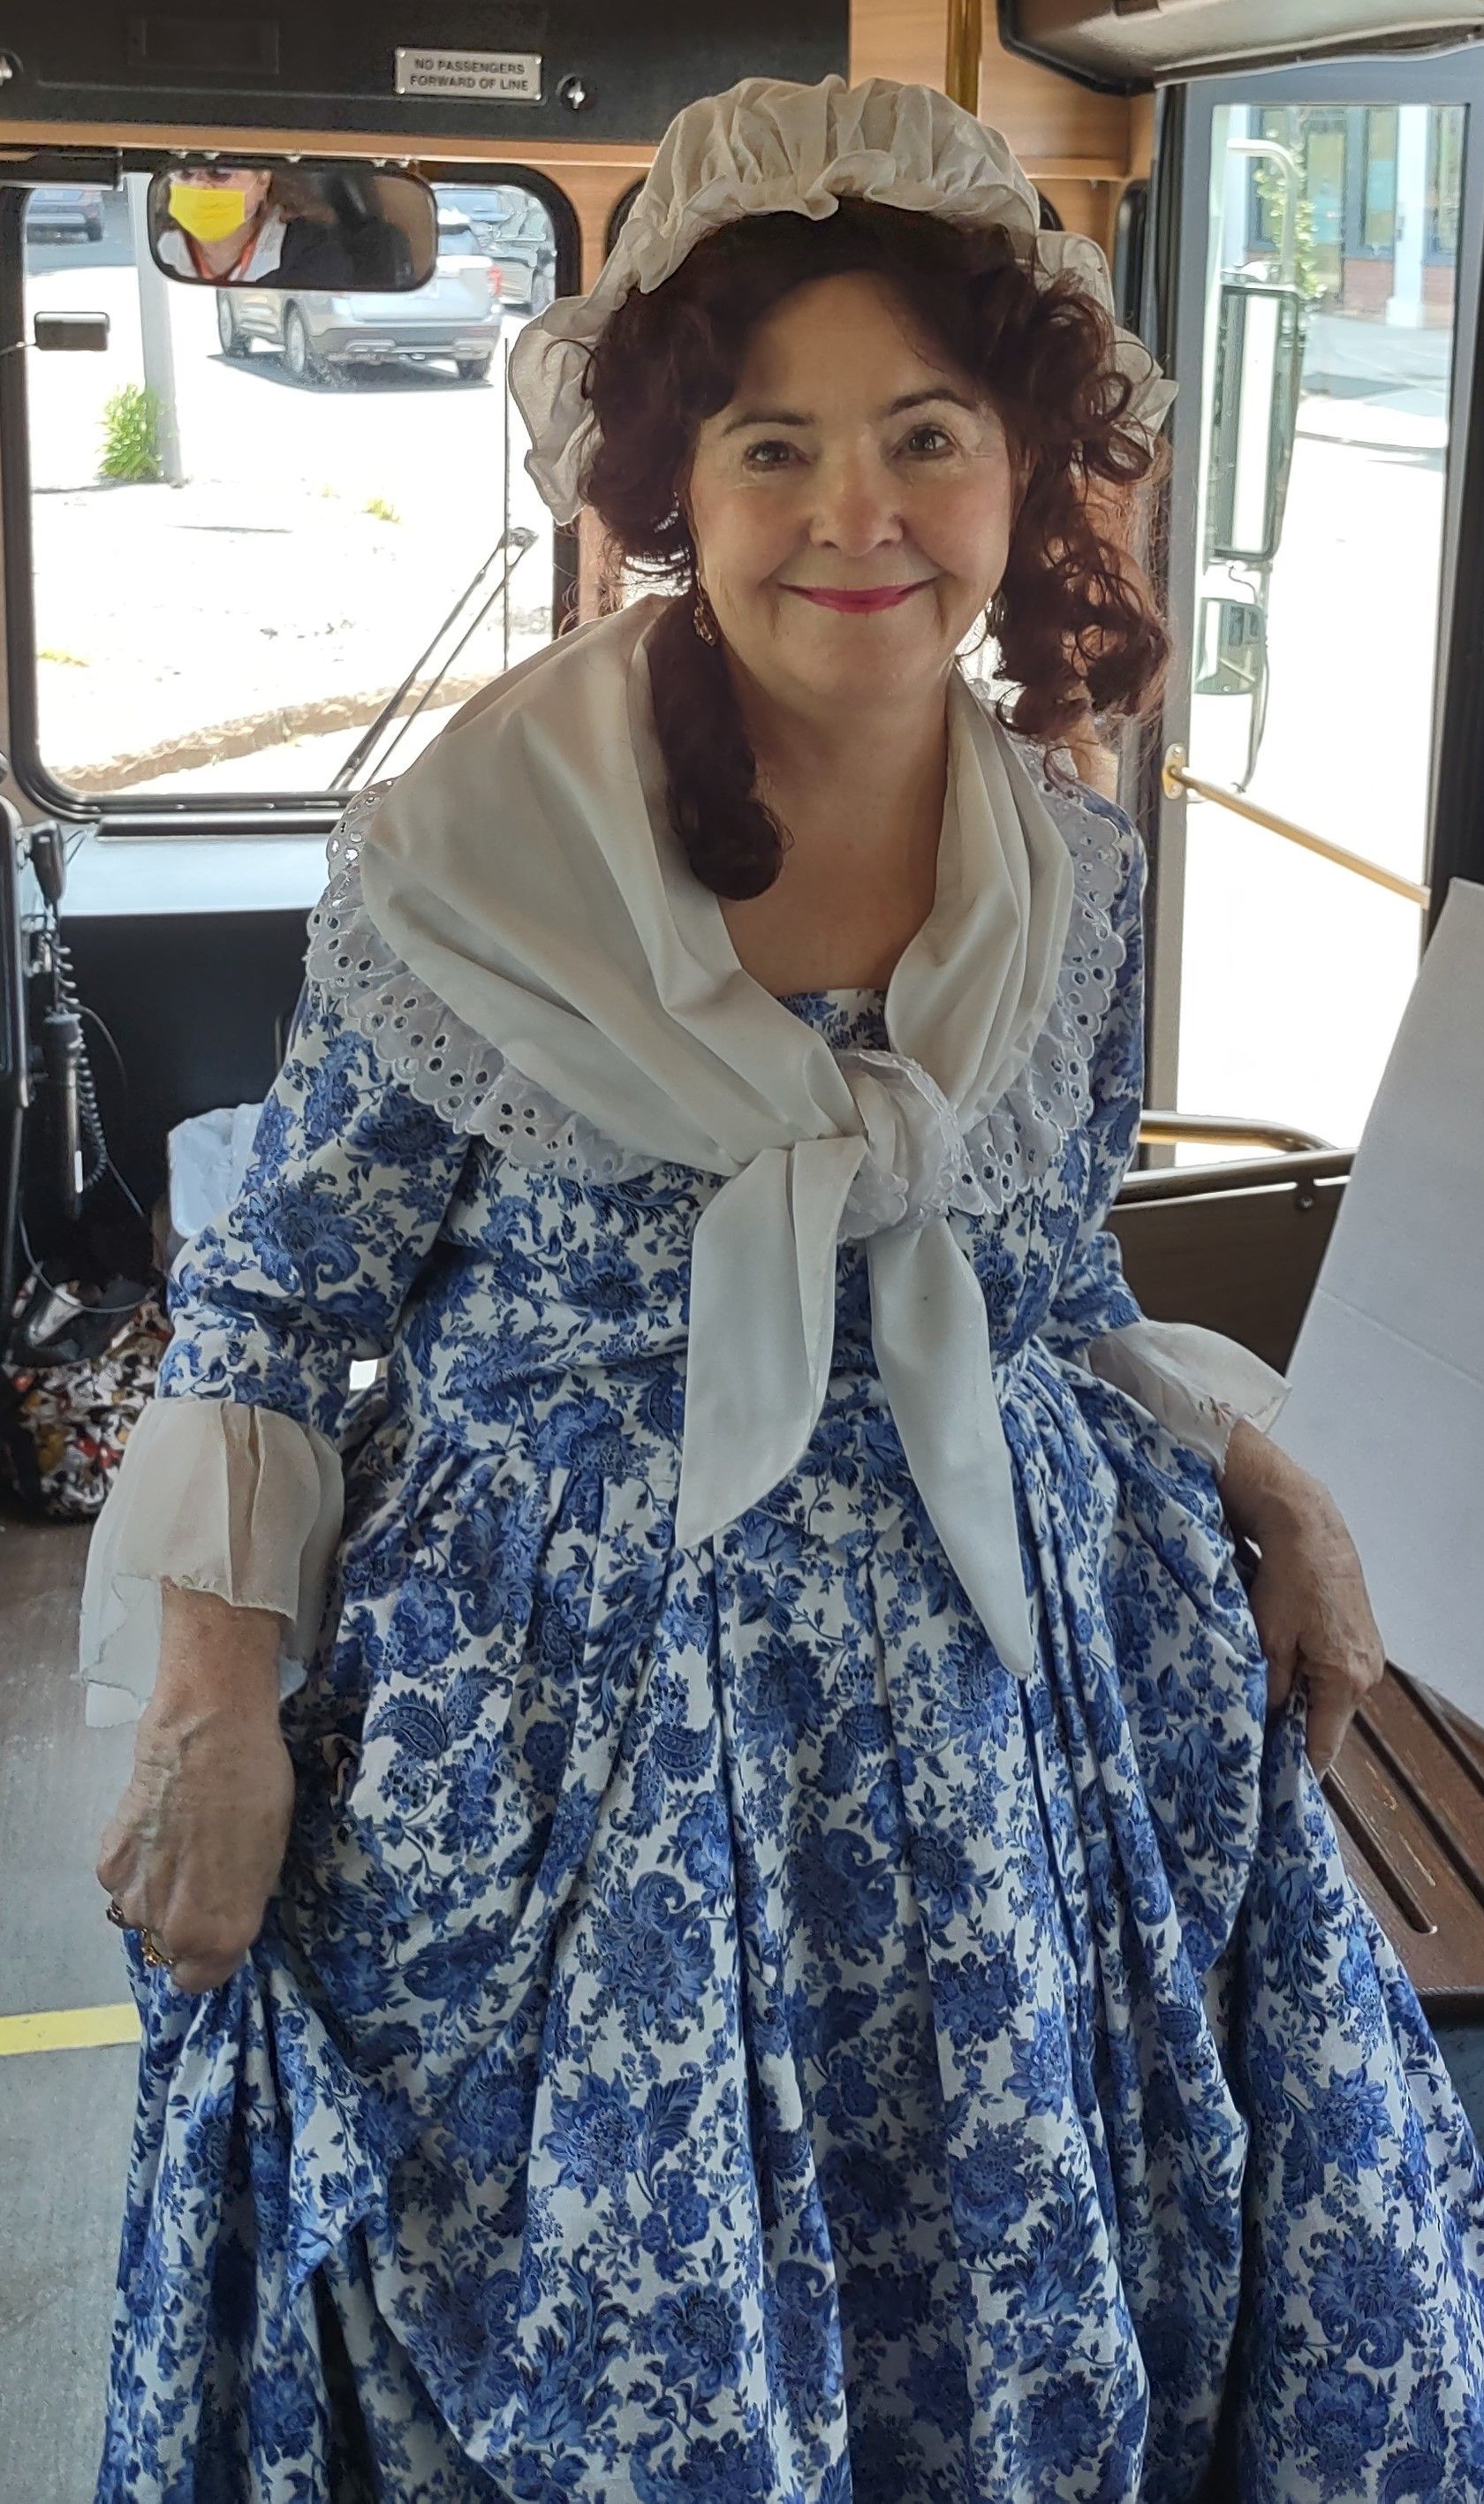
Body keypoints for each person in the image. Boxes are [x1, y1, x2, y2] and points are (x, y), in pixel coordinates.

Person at [83, 74, 1484, 2504]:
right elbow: (277, 1311)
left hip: (1010, 1726)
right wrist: (214, 1711)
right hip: (568, 1754)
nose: (860, 513)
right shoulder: (471, 859)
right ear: (673, 484)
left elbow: (1042, 1271)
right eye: (773, 445)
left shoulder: (1069, 867)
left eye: (926, 434)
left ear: (1023, 465)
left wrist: (1270, 1464)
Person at [155, 164, 357, 288]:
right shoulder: (152, 244)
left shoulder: (315, 257)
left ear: (263, 179)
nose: (199, 186)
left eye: (220, 172)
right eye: (185, 172)